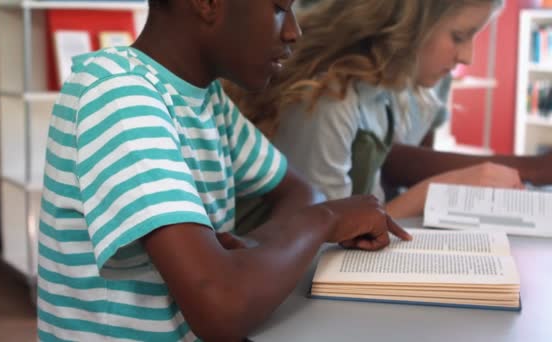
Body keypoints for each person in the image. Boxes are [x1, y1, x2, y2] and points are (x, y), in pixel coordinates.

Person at [36, 0, 411, 341]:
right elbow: (221, 309)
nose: (294, 31)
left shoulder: (208, 101)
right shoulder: (117, 95)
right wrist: (325, 220)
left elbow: (301, 193)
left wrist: (252, 247)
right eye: (280, 7)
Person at [226, 0, 552, 222]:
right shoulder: (327, 101)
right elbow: (317, 241)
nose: (466, 56)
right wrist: (436, 189)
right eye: (459, 36)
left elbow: (368, 210)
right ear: (410, 24)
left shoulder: (380, 98)